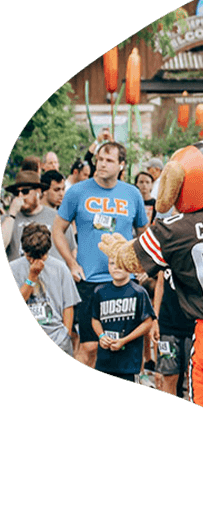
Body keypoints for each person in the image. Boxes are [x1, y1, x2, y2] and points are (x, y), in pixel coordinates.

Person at [53, 141, 149, 368]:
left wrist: (144, 266)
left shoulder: (132, 194)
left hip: (126, 281)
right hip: (90, 281)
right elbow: (57, 230)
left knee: (125, 346)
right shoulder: (77, 192)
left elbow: (145, 235)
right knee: (90, 346)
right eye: (100, 159)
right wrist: (70, 262)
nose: (102, 164)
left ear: (121, 165)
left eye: (109, 160)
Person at [9, 223, 80, 356]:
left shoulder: (60, 268)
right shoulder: (13, 268)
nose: (34, 261)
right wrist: (32, 277)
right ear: (24, 251)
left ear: (47, 252)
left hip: (57, 339)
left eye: (40, 257)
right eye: (30, 257)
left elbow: (68, 306)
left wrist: (66, 335)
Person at [91, 256, 156, 382]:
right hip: (104, 361)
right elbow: (95, 319)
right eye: (112, 263)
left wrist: (124, 340)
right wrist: (101, 336)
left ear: (129, 266)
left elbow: (148, 322)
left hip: (129, 362)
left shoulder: (139, 292)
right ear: (108, 267)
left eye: (121, 263)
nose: (116, 267)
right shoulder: (100, 291)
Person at [3, 170, 75, 263]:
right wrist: (12, 214)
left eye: (25, 191)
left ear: (38, 192)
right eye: (16, 193)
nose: (20, 196)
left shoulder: (58, 218)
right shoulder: (8, 220)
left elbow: (72, 252)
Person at [150, 266, 195, 398]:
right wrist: (155, 319)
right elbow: (160, 285)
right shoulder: (165, 252)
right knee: (169, 375)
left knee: (194, 375)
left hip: (193, 324)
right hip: (167, 325)